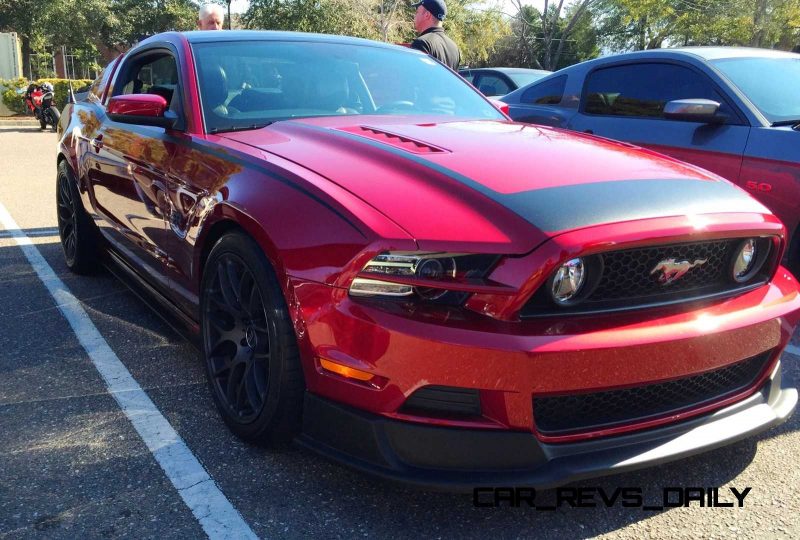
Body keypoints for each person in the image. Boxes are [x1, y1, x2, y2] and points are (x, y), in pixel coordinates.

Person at [410, 0, 460, 70]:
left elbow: (415, 76)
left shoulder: (422, 43)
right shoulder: (454, 47)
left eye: (417, 12)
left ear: (427, 15)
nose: (414, 17)